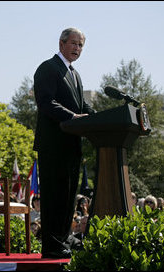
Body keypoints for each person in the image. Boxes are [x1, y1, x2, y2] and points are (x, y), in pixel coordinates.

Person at [33, 27, 96, 259]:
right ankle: (50, 245)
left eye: (81, 45)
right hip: (53, 145)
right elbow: (46, 102)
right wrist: (72, 117)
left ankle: (62, 238)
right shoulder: (48, 68)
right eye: (74, 44)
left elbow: (82, 107)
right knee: (53, 196)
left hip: (71, 145)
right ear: (61, 44)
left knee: (69, 196)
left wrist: (98, 118)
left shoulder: (75, 74)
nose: (77, 49)